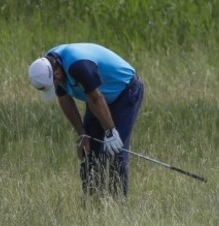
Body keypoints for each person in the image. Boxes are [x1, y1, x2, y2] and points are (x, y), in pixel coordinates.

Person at [28, 43, 144, 198]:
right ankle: (92, 203)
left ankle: (118, 206)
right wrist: (83, 134)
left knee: (116, 152)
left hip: (125, 91)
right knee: (88, 151)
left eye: (54, 84)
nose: (56, 86)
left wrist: (110, 131)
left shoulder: (78, 66)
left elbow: (96, 98)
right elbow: (64, 99)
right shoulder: (49, 64)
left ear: (56, 73)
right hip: (96, 98)